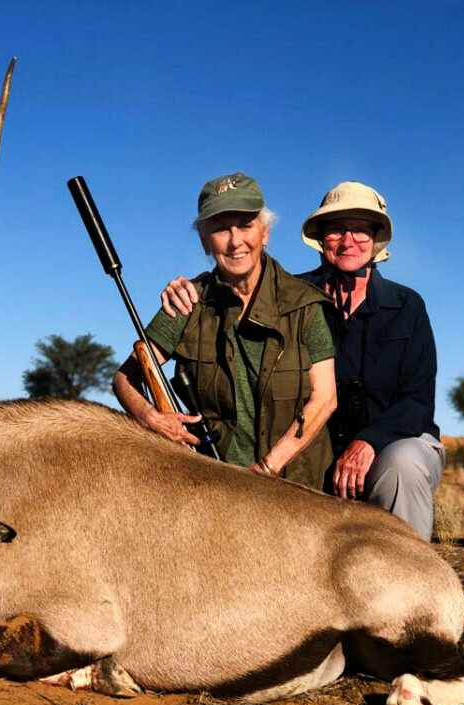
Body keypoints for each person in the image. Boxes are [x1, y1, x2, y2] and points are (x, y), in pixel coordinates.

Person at [160, 182, 442, 540]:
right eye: (337, 230)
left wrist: (367, 442)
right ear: (322, 239)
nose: (348, 240)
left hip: (392, 442)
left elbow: (418, 401)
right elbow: (238, 287)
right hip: (313, 446)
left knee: (403, 465)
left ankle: (411, 581)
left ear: (375, 238)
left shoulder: (407, 305)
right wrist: (192, 288)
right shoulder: (292, 296)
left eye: (360, 230)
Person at [112, 172, 337, 490]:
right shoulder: (187, 301)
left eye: (246, 225)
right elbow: (125, 377)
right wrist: (150, 417)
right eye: (220, 228)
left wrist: (266, 470)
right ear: (204, 240)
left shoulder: (305, 304)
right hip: (213, 485)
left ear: (265, 233)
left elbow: (325, 399)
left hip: (296, 488)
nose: (235, 242)